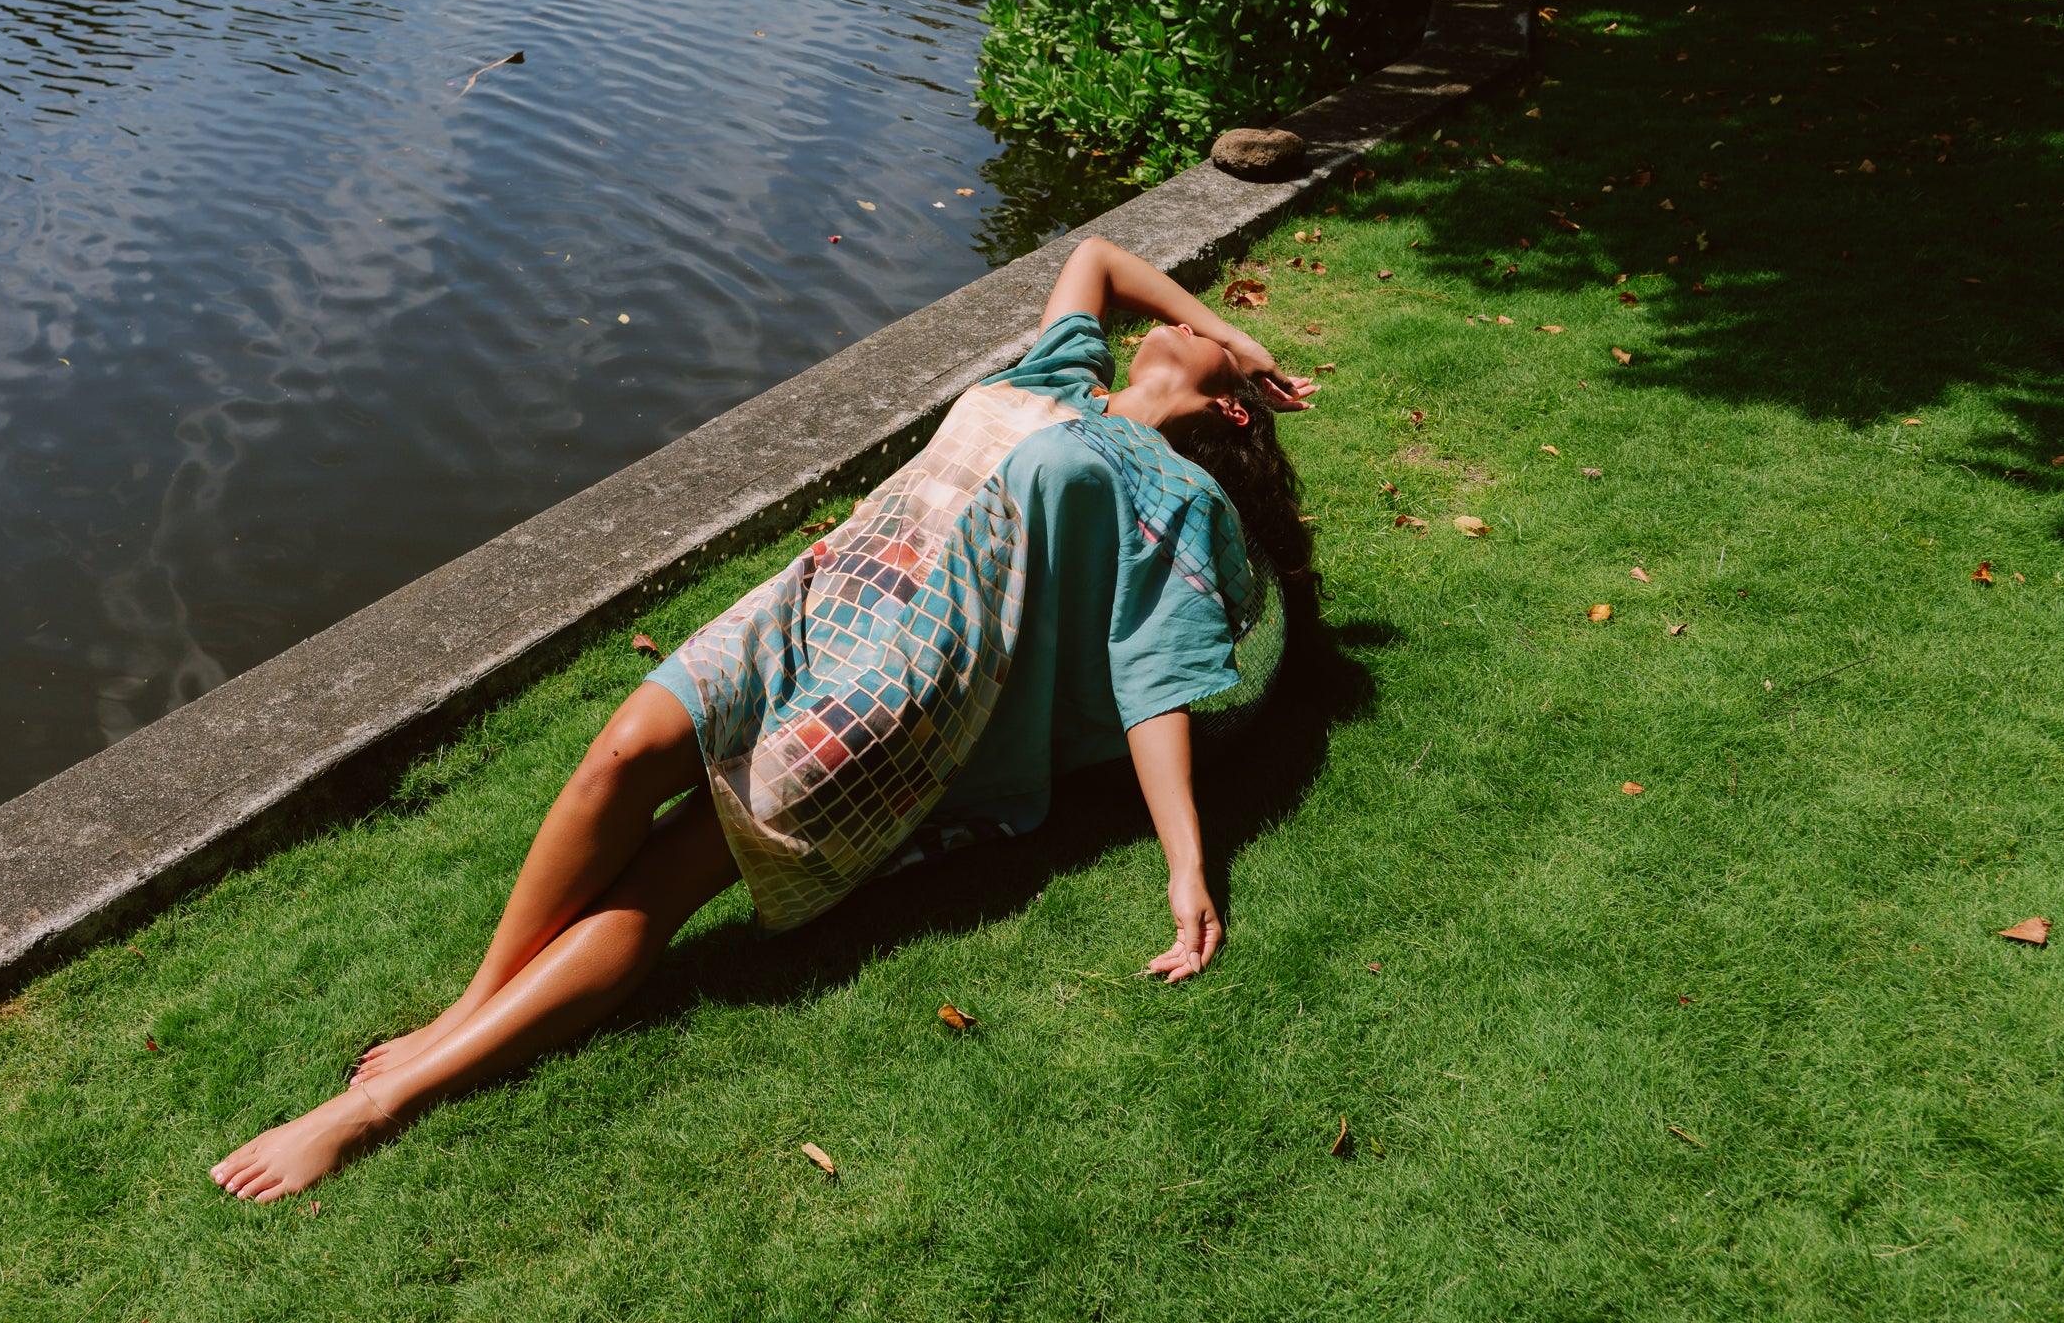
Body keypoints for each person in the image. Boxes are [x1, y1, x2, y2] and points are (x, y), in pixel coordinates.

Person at [211, 235, 1319, 1202]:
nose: (1184, 317)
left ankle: (386, 1105)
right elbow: (1098, 259)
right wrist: (1224, 330)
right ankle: (466, 1010)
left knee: (673, 873)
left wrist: (1188, 868)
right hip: (811, 603)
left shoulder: (1174, 497)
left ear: (1225, 409)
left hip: (896, 685)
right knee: (620, 755)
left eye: (1211, 335)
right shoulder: (1062, 377)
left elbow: (1151, 677)